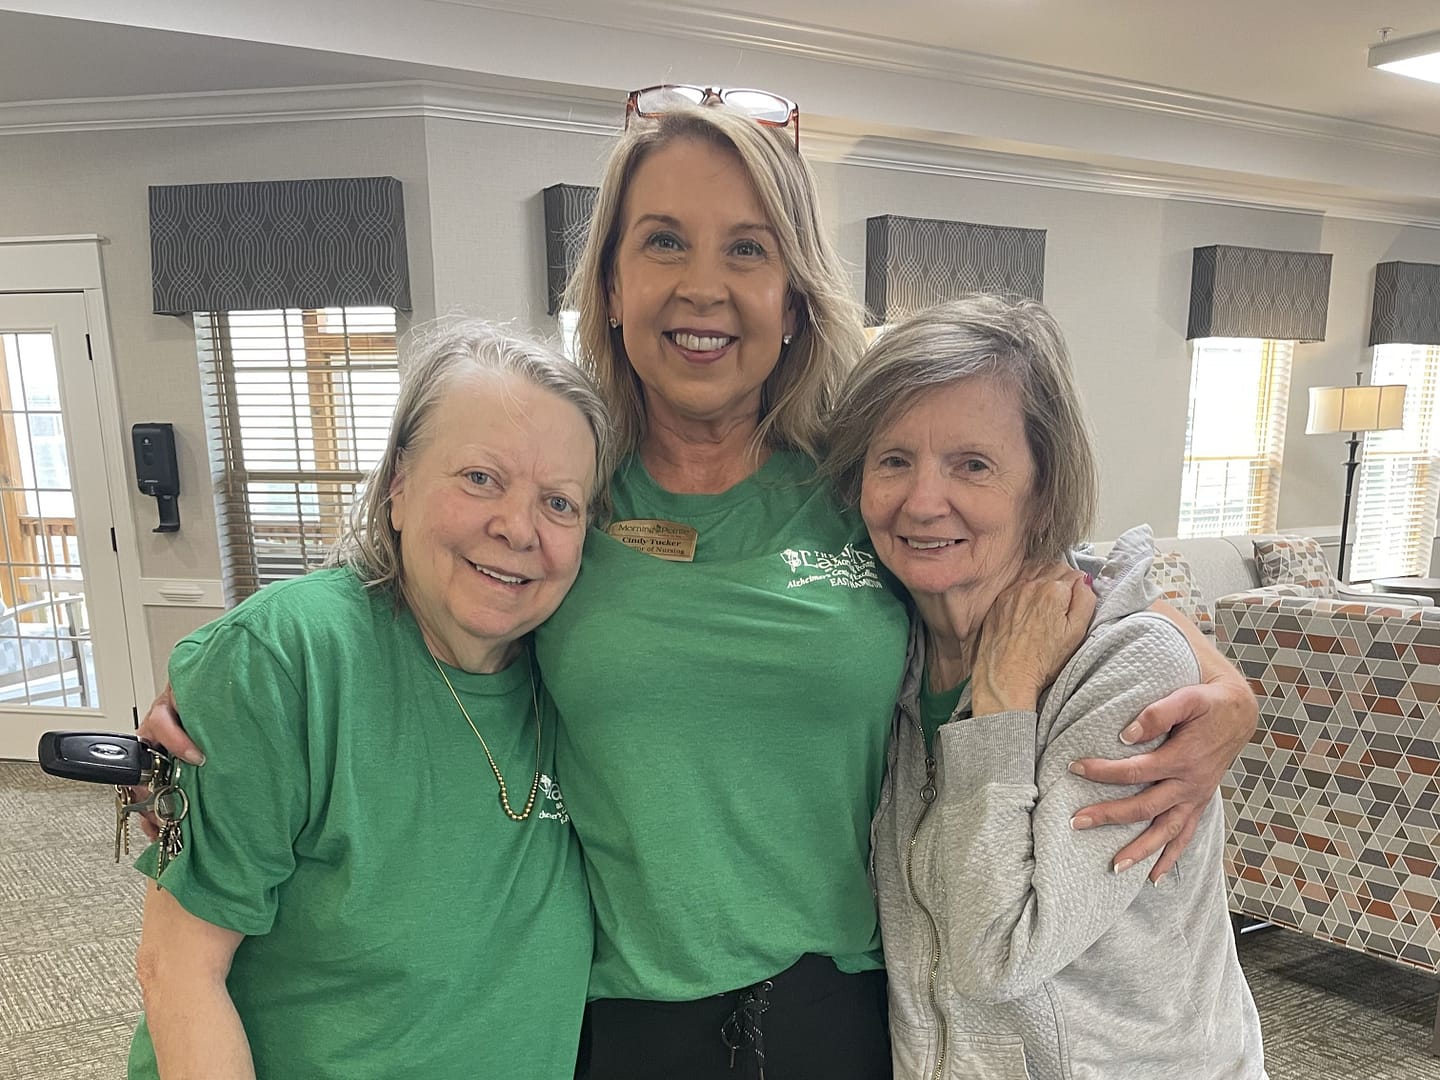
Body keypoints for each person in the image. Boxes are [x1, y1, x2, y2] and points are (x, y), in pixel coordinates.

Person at [138, 87, 1259, 1078]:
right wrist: (216, 681)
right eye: (664, 242)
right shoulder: (566, 495)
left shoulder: (858, 484)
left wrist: (1209, 668)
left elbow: (1039, 554)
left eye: (748, 249)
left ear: (794, 299)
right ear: (612, 287)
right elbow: (418, 578)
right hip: (625, 1017)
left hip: (850, 1008)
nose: (703, 287)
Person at [127, 321, 612, 1080]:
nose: (517, 527)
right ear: (397, 488)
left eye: (559, 502)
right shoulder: (289, 663)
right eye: (480, 478)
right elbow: (177, 971)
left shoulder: (579, 670)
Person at [827, 294, 1265, 1078]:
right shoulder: (888, 654)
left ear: (1042, 488)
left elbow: (999, 953)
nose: (924, 501)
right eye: (893, 459)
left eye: (973, 464)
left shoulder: (1127, 671)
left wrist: (1001, 708)